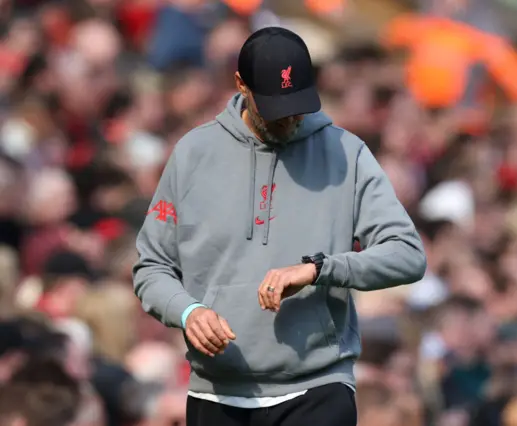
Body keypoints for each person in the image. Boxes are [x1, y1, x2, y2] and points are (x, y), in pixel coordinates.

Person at [133, 26, 427, 426]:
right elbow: (151, 267)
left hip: (318, 386)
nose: (289, 118)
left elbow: (407, 254)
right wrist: (187, 312)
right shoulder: (193, 154)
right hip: (216, 390)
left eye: (298, 103)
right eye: (275, 105)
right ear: (241, 85)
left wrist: (319, 270)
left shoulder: (347, 153)